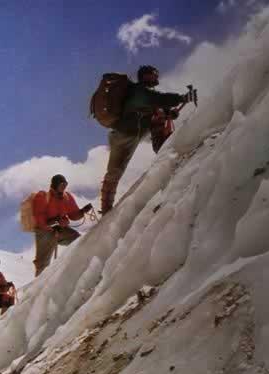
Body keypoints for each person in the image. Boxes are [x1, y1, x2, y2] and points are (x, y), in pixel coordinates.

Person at [100, 65, 193, 215]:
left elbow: (157, 107)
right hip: (123, 136)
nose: (157, 77)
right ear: (145, 76)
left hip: (135, 134)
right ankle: (105, 209)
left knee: (115, 171)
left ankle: (165, 151)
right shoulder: (139, 92)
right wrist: (181, 98)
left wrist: (169, 113)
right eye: (154, 74)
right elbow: (157, 99)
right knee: (115, 171)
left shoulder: (147, 95)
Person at [32, 174, 92, 277]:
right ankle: (38, 289)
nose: (64, 186)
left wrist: (82, 211)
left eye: (65, 184)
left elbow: (73, 215)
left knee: (77, 240)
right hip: (45, 232)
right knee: (43, 263)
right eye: (62, 184)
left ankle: (77, 268)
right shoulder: (42, 197)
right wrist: (54, 222)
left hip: (61, 230)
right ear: (55, 185)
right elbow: (39, 219)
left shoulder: (66, 197)